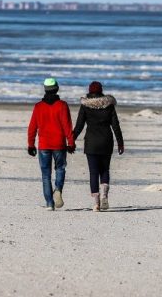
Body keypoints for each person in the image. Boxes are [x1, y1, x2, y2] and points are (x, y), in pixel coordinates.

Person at [73, 81, 124, 211]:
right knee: (105, 170)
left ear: (89, 92)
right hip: (106, 141)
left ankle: (96, 203)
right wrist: (120, 142)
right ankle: (105, 195)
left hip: (91, 143)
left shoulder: (85, 106)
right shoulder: (109, 105)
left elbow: (79, 126)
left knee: (93, 173)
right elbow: (115, 125)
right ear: (101, 91)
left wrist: (71, 140)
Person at [27, 77, 75, 210]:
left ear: (45, 89)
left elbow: (32, 127)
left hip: (44, 145)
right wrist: (71, 143)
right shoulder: (62, 105)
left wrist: (31, 145)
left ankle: (49, 203)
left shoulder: (38, 107)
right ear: (57, 89)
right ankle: (58, 189)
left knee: (45, 175)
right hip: (59, 144)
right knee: (60, 169)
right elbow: (67, 126)